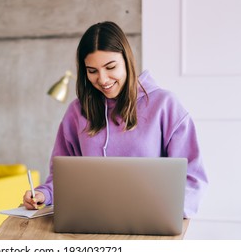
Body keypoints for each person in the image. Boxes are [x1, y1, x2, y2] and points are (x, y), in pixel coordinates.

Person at [23, 21, 208, 218]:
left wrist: (170, 214)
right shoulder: (77, 112)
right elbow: (63, 177)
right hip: (90, 221)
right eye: (92, 71)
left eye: (110, 67)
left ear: (127, 60)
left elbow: (192, 177)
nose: (102, 79)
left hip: (149, 222)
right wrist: (44, 193)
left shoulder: (165, 105)